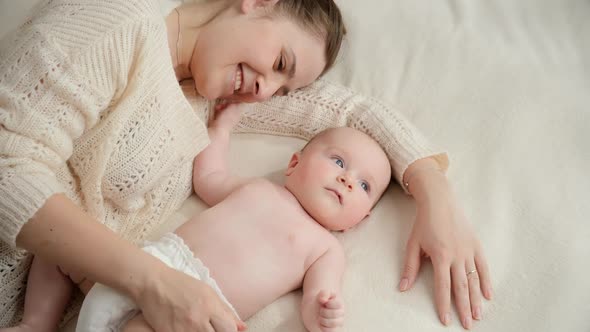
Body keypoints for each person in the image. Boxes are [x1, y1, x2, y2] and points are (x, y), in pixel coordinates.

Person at [0, 0, 491, 331]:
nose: (267, 91)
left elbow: (350, 117)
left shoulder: (206, 96)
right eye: (280, 62)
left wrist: (433, 191)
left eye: (285, 88)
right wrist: (154, 281)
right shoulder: (116, 24)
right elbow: (7, 167)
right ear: (256, 1)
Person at [72, 109, 392, 332]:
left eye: (365, 185)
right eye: (338, 161)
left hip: (206, 311)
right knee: (70, 247)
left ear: (358, 220)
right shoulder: (259, 188)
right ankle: (36, 322)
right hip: (158, 262)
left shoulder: (326, 249)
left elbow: (315, 299)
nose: (348, 180)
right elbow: (209, 177)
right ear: (294, 164)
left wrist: (324, 314)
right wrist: (221, 131)